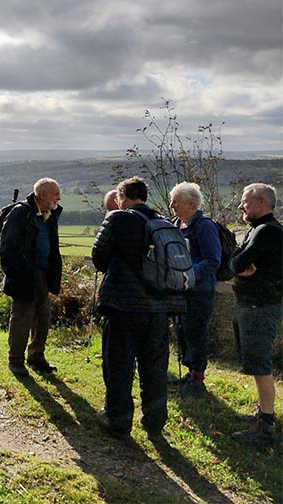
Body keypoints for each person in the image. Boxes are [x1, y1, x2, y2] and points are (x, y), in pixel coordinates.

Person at [92, 176, 185, 440]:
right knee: (154, 366)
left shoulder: (118, 219)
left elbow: (99, 258)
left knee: (119, 364)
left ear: (122, 196)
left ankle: (117, 419)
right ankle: (154, 422)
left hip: (124, 304)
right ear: (144, 196)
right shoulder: (164, 222)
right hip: (159, 307)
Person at [230, 183, 282, 442]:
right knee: (254, 361)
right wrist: (240, 263)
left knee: (260, 364)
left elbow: (237, 262)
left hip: (260, 306)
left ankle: (266, 426)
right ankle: (264, 411)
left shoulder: (266, 232)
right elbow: (237, 261)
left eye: (245, 201)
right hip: (255, 304)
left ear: (261, 203)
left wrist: (241, 263)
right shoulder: (260, 230)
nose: (241, 206)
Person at [0, 177, 63, 376]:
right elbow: (7, 247)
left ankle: (36, 356)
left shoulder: (49, 214)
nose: (58, 198)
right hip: (24, 274)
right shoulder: (20, 213)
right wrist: (17, 274)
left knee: (43, 317)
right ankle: (15, 361)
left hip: (43, 274)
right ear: (42, 195)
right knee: (22, 318)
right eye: (55, 194)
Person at [170, 182, 221, 397]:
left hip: (200, 291)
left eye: (176, 202)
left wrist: (187, 275)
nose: (172, 206)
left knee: (196, 332)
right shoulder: (176, 224)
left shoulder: (204, 226)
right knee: (182, 331)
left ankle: (198, 378)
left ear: (191, 204)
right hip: (181, 290)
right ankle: (190, 373)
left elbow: (212, 261)